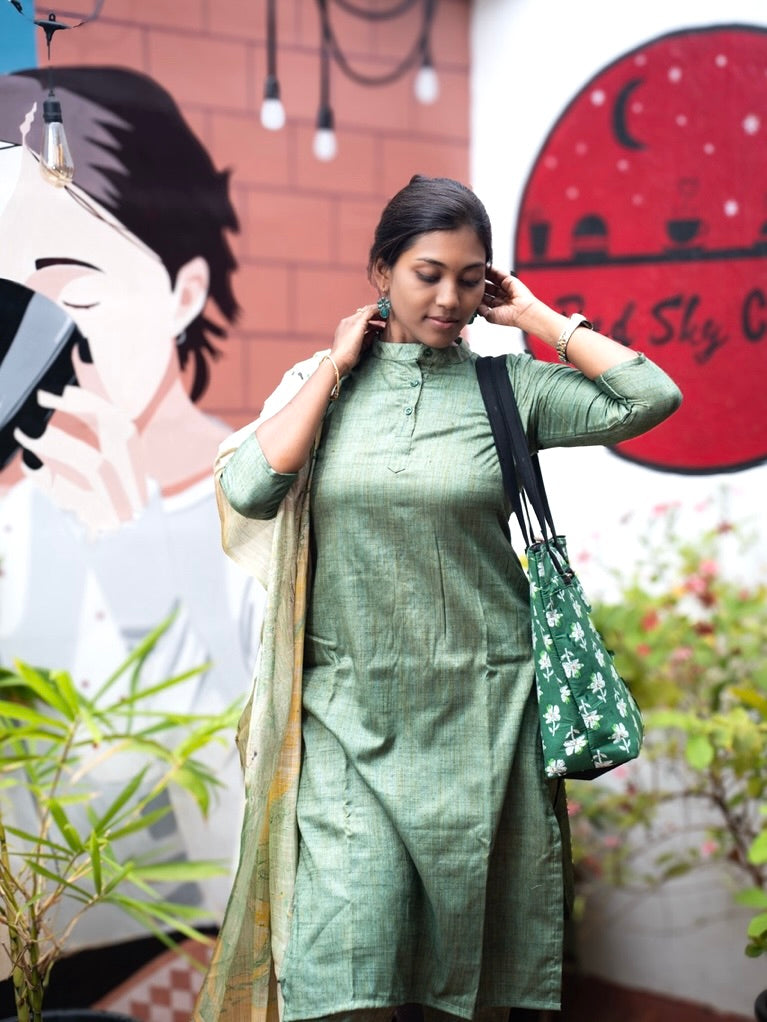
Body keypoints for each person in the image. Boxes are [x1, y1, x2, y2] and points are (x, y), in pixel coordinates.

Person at [196, 175, 682, 1022]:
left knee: (465, 981)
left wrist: (535, 318)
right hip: (345, 720)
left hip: (482, 722)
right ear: (382, 269)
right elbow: (248, 489)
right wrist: (334, 367)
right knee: (341, 973)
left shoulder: (508, 391)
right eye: (428, 274)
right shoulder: (322, 385)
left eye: (469, 278)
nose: (449, 299)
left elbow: (649, 397)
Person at [0, 67, 263, 940]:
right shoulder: (18, 515)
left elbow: (246, 774)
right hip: (44, 941)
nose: (36, 337)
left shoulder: (260, 496)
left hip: (195, 942)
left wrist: (131, 547)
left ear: (185, 292)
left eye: (72, 292)